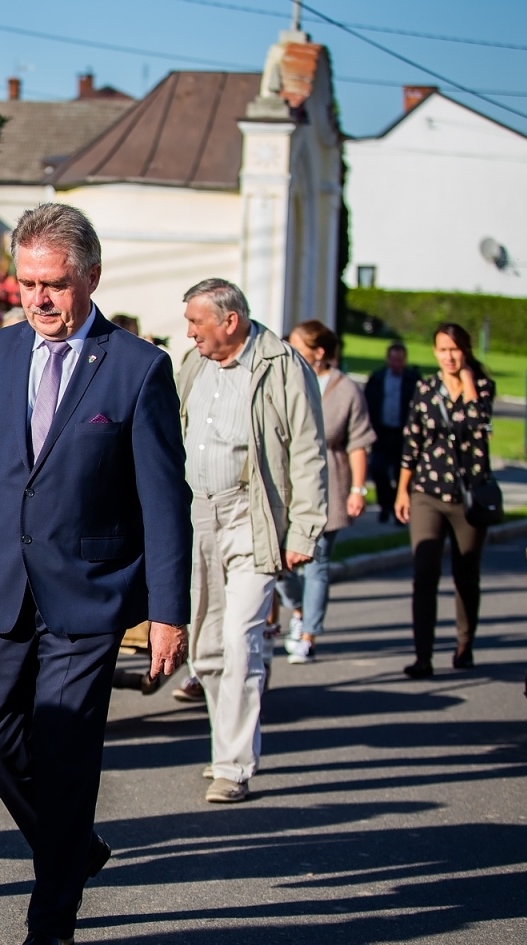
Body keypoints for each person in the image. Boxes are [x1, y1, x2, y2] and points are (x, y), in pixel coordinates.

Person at [0, 203, 192, 945]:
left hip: (89, 596)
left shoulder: (139, 367)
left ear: (91, 277)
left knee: (68, 753)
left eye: (56, 284)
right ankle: (75, 847)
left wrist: (168, 612)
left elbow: (164, 505)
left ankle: (52, 923)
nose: (39, 299)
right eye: (27, 283)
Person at [178, 279, 326, 803]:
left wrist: (304, 529)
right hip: (198, 513)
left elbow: (308, 451)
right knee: (206, 646)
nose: (189, 332)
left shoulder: (283, 366)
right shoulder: (193, 364)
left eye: (197, 322)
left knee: (242, 639)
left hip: (252, 513)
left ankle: (234, 767)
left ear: (229, 321)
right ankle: (225, 746)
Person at [394, 322, 495, 678]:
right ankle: (423, 656)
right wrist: (402, 488)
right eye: (442, 349)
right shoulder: (425, 388)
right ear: (434, 352)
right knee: (424, 574)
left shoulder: (482, 387)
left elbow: (477, 423)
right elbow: (412, 440)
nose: (449, 356)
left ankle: (465, 644)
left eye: (455, 349)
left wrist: (466, 381)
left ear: (465, 350)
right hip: (427, 492)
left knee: (466, 575)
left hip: (468, 496)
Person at [277, 321, 374, 664]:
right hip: (286, 485)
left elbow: (358, 443)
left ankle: (308, 635)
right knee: (278, 565)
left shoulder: (346, 390)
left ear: (319, 353)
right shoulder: (287, 378)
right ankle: (300, 609)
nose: (289, 350)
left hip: (330, 484)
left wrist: (358, 490)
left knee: (316, 564)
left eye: (298, 346)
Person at [365, 342, 420, 524]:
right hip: (381, 433)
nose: (396, 363)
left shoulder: (413, 380)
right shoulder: (378, 378)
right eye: (393, 359)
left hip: (403, 435)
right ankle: (385, 504)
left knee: (400, 474)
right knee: (378, 470)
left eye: (400, 360)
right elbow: (367, 404)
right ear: (388, 359)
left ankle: (399, 510)